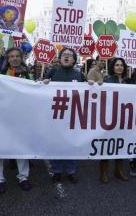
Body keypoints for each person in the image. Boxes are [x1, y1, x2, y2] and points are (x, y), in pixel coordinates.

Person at [43, 48, 92, 184]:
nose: (66, 57)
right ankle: (56, 170)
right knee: (56, 143)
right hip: (55, 115)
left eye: (69, 56)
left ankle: (71, 171)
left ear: (74, 60)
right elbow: (40, 91)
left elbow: (88, 91)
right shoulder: (52, 72)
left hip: (73, 117)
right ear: (59, 58)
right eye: (64, 55)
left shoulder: (79, 75)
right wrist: (43, 83)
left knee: (71, 144)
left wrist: (93, 85)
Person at [0, 48, 31, 194]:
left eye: (17, 56)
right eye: (11, 56)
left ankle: (23, 177)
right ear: (7, 59)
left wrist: (42, 84)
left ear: (21, 58)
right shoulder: (0, 75)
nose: (14, 59)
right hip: (2, 117)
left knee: (21, 147)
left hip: (21, 117)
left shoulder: (28, 75)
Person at [99, 58, 130, 183]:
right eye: (117, 65)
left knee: (120, 145)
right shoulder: (107, 80)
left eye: (121, 65)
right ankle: (104, 172)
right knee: (107, 145)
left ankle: (118, 171)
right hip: (109, 117)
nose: (119, 67)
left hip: (124, 117)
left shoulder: (128, 81)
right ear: (113, 67)